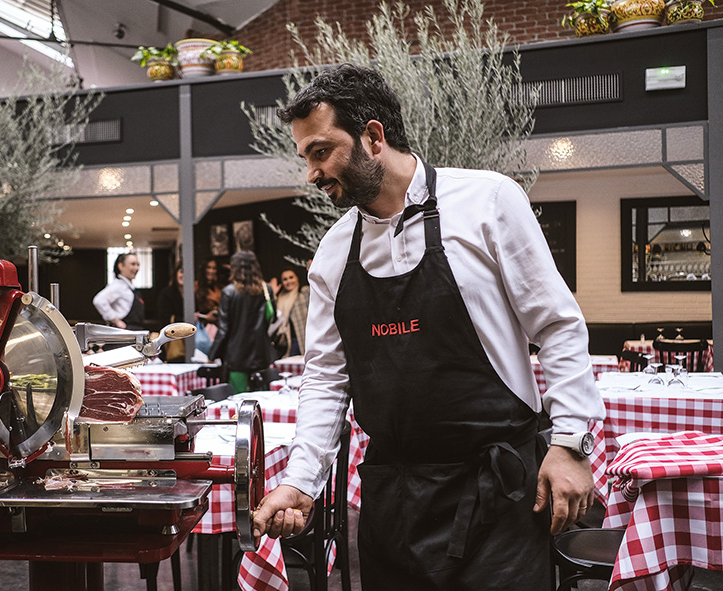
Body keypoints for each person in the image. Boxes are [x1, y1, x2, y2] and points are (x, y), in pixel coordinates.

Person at [251, 64, 605, 590]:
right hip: (393, 498)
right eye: (305, 156)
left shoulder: (488, 201)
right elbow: (326, 379)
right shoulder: (331, 254)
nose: (311, 173)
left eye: (321, 151)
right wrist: (300, 483)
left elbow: (557, 326)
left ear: (373, 137)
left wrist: (571, 444)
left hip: (497, 492)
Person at [208, 250, 278, 394]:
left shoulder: (229, 292)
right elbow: (273, 318)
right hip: (262, 356)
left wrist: (211, 356)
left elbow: (223, 329)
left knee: (237, 404)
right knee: (262, 403)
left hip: (236, 357)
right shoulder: (267, 290)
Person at [92, 252, 146, 331]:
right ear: (121, 266)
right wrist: (116, 321)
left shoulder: (129, 287)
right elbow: (99, 300)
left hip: (134, 331)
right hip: (124, 332)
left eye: (138, 265)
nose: (136, 268)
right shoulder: (118, 285)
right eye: (133, 264)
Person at [270, 267, 309, 357]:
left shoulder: (304, 292)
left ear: (297, 278)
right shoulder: (280, 297)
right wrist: (273, 295)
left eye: (291, 277)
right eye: (285, 279)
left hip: (303, 338)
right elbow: (274, 316)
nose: (288, 281)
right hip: (288, 342)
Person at [156, 263, 185, 362]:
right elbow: (165, 319)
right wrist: (186, 319)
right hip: (173, 341)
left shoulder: (193, 294)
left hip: (191, 341)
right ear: (176, 273)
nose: (184, 275)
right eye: (181, 272)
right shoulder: (166, 293)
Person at [194, 258, 223, 355]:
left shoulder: (220, 287)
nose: (211, 271)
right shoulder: (196, 286)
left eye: (214, 268)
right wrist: (205, 317)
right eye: (209, 267)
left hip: (219, 327)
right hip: (203, 328)